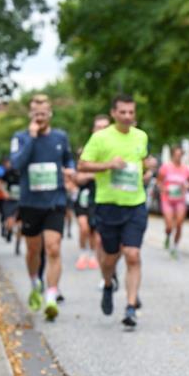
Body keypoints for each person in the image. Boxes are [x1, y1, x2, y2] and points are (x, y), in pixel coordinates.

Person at [78, 94, 156, 329]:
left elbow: (141, 163)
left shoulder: (141, 136)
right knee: (110, 257)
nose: (127, 116)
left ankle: (130, 307)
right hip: (108, 204)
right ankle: (108, 283)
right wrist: (109, 165)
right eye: (123, 112)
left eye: (131, 112)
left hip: (135, 204)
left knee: (133, 254)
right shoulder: (100, 138)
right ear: (113, 113)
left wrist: (147, 170)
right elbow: (82, 165)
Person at [10, 94, 75, 321]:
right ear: (31, 115)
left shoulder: (60, 137)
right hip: (30, 203)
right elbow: (17, 164)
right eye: (36, 114)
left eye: (44, 114)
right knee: (33, 250)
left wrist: (70, 171)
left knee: (53, 248)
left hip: (55, 200)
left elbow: (69, 160)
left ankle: (51, 296)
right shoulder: (20, 138)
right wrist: (32, 137)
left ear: (50, 114)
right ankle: (35, 282)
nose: (40, 117)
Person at [73, 116, 109, 271]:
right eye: (98, 127)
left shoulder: (112, 151)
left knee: (95, 231)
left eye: (104, 127)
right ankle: (83, 253)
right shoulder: (86, 151)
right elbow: (77, 177)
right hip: (84, 196)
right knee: (83, 227)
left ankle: (94, 255)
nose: (101, 130)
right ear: (93, 130)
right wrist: (94, 174)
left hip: (101, 196)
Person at [157, 144, 189, 259]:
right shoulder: (165, 167)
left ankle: (175, 247)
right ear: (172, 155)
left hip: (180, 200)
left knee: (179, 224)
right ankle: (167, 235)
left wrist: (186, 186)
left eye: (180, 155)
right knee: (169, 225)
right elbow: (159, 182)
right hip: (167, 199)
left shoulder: (186, 169)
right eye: (176, 155)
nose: (178, 157)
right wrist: (164, 189)